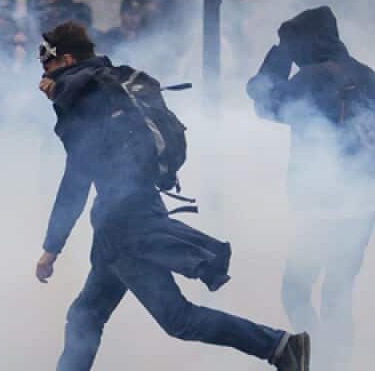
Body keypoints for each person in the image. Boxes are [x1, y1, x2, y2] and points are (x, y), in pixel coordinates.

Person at [37, 22, 310, 371]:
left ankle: (278, 346)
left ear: (67, 59)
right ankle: (279, 346)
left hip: (122, 224)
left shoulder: (79, 93)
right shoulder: (110, 80)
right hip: (130, 211)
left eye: (48, 65)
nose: (44, 75)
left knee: (177, 318)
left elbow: (77, 175)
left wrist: (52, 246)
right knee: (85, 315)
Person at [245, 6, 375, 371]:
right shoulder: (370, 76)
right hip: (363, 206)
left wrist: (278, 55)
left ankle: (321, 359)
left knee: (294, 291)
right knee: (338, 295)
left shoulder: (310, 78)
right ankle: (339, 362)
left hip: (321, 206)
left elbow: (264, 103)